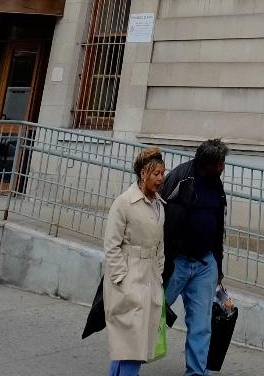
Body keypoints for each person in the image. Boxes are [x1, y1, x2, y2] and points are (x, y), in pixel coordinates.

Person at [162, 139, 229, 376]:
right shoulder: (179, 178)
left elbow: (218, 227)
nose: (223, 167)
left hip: (205, 264)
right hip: (176, 263)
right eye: (220, 163)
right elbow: (159, 218)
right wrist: (162, 262)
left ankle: (196, 373)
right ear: (206, 164)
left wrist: (218, 265)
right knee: (153, 315)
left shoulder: (216, 184)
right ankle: (128, 364)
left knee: (201, 325)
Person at [101, 146, 167, 376]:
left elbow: (160, 244)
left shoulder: (159, 205)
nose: (160, 178)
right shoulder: (124, 203)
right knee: (132, 344)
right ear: (143, 174)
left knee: (131, 344)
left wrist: (159, 274)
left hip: (150, 279)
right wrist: (122, 278)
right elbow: (111, 245)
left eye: (163, 173)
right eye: (156, 173)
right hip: (129, 277)